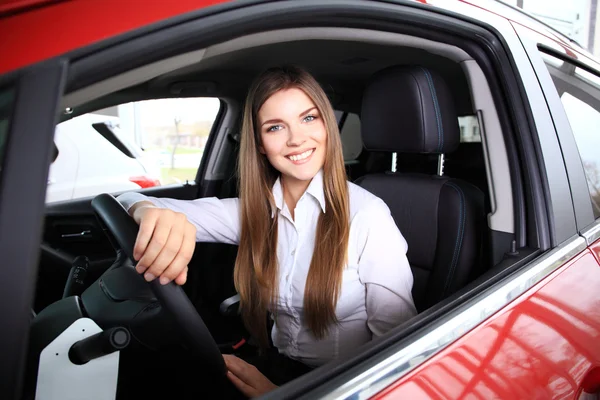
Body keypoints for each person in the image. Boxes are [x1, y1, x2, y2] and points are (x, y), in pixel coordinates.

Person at [117, 65, 416, 398]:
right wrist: (146, 210)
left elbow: (399, 363)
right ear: (259, 143)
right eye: (276, 127)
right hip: (271, 362)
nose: (296, 138)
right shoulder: (255, 213)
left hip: (338, 387)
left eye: (308, 118)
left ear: (327, 125)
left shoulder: (367, 217)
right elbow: (126, 199)